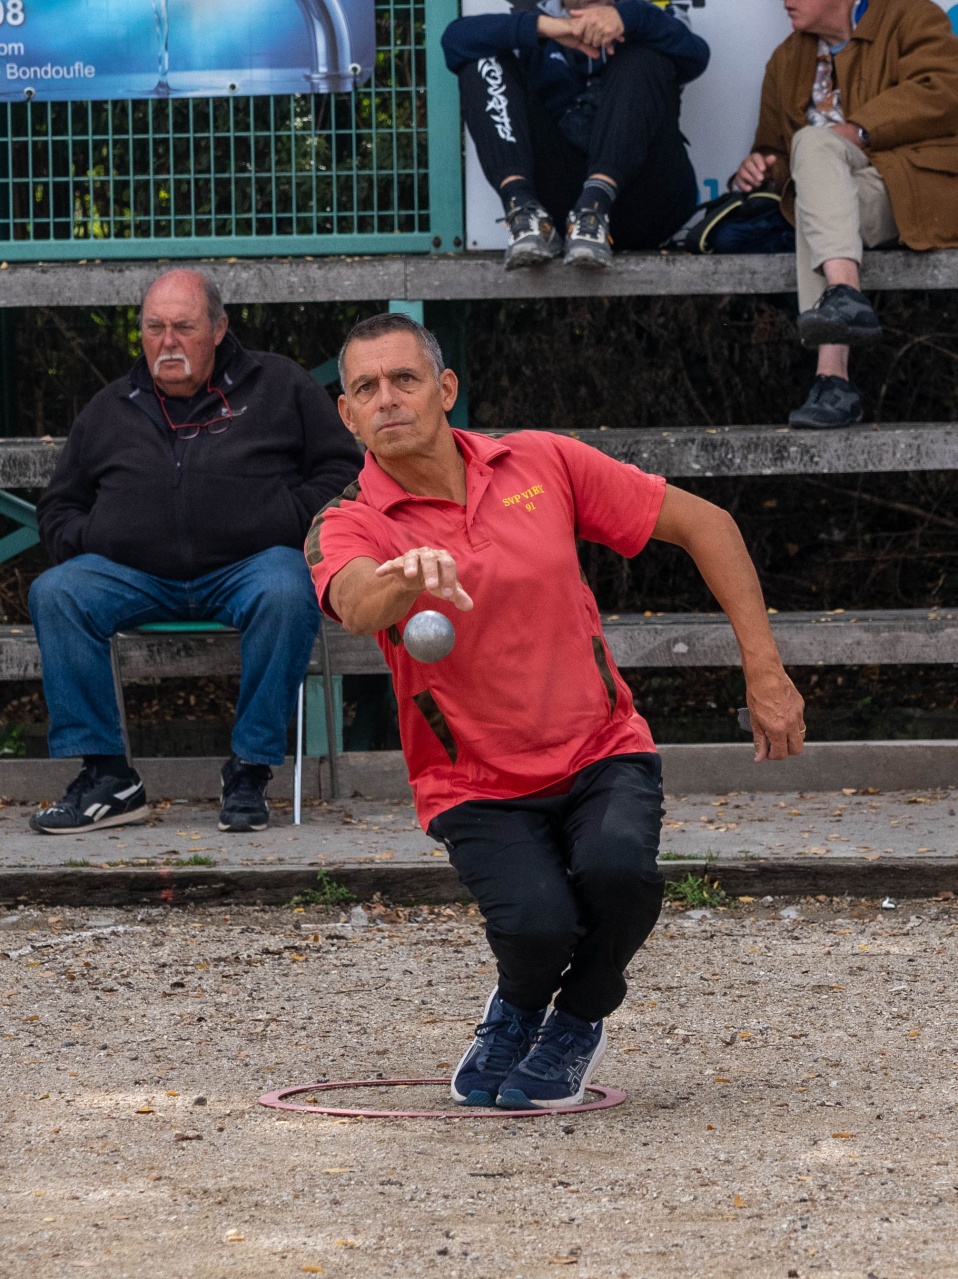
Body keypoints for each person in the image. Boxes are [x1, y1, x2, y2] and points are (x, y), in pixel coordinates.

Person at [307, 312, 805, 1109]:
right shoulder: (347, 519)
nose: (387, 399)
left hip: (598, 746)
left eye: (404, 378)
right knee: (538, 925)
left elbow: (706, 524)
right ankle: (517, 1005)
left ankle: (576, 1018)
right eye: (365, 388)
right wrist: (404, 577)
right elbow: (356, 601)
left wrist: (765, 668)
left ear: (445, 388)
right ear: (347, 413)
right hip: (472, 780)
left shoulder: (539, 460)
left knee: (620, 873)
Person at [28, 269, 360, 835]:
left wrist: (282, 517)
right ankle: (108, 778)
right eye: (154, 327)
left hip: (250, 567)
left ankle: (249, 771)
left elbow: (341, 472)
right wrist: (96, 536)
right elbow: (59, 506)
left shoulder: (278, 384)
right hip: (135, 575)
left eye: (183, 327)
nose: (168, 341)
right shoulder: (111, 407)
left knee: (287, 588)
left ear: (219, 328)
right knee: (55, 592)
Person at [733, 0, 958, 429]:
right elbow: (775, 150)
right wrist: (760, 166)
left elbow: (944, 89)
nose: (784, 1)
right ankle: (843, 311)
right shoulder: (786, 58)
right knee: (813, 190)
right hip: (841, 203)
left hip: (912, 187)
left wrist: (860, 129)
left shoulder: (911, 15)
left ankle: (833, 374)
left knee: (813, 150)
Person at [441, 0, 709, 270]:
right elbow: (455, 39)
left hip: (647, 203)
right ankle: (523, 212)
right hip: (562, 209)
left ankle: (595, 204)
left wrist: (626, 18)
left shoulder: (645, 14)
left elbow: (696, 55)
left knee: (645, 51)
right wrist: (547, 28)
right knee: (483, 58)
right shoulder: (538, 18)